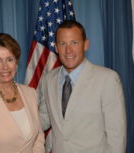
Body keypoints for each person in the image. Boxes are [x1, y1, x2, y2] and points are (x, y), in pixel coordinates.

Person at [39, 20, 126, 153]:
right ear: (56, 47)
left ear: (85, 45)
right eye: (63, 43)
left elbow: (117, 136)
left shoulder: (107, 79)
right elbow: (44, 118)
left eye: (74, 43)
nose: (68, 50)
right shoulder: (48, 79)